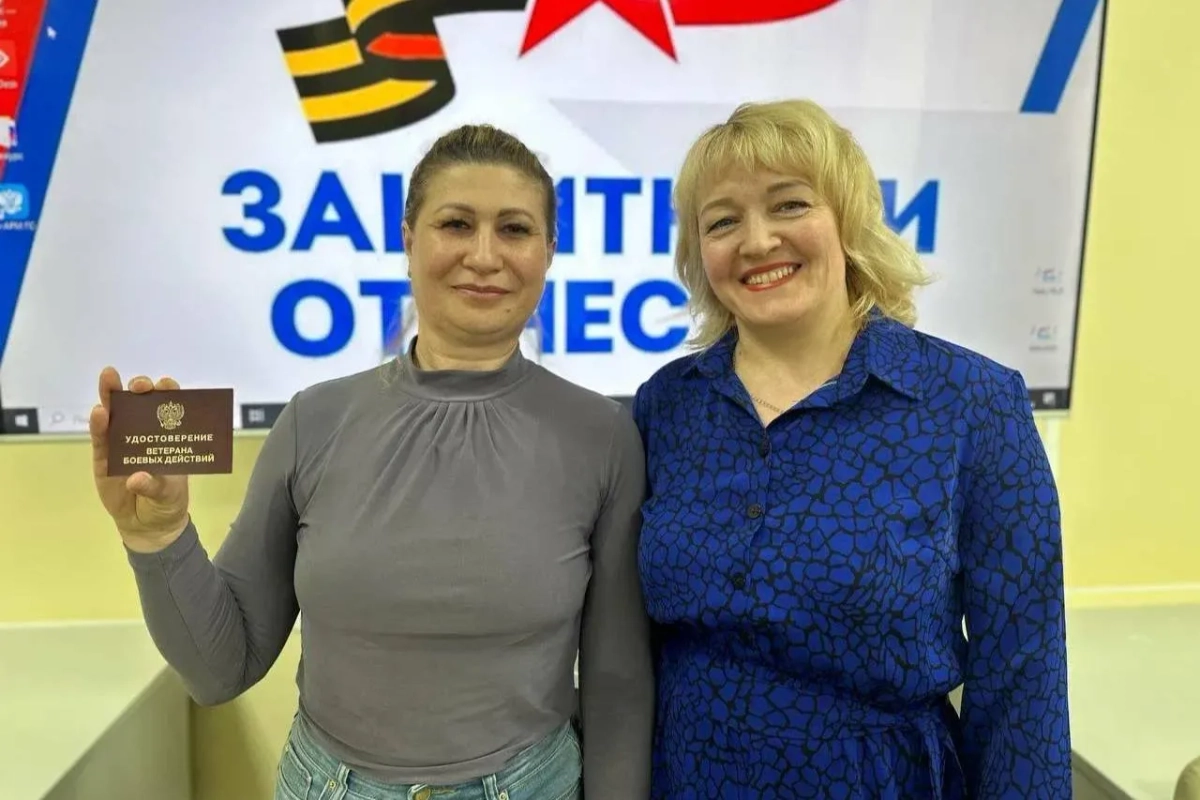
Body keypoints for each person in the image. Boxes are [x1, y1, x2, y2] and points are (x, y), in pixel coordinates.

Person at [89, 124, 654, 800]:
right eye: (456, 224)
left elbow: (618, 681)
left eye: (514, 229)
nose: (484, 255)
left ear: (548, 252)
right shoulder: (314, 421)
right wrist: (157, 536)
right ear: (408, 239)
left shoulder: (602, 437)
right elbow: (219, 669)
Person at [632, 99, 1071, 798]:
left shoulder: (971, 403)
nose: (757, 241)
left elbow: (1023, 674)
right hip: (685, 777)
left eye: (789, 204)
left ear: (848, 220)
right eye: (722, 221)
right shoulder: (667, 405)